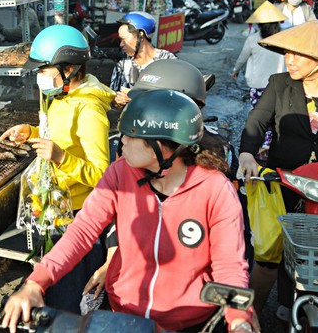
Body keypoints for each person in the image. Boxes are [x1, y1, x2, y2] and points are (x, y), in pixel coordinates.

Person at [2, 89, 255, 333]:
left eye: (131, 136)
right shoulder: (120, 172)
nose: (122, 142)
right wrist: (36, 282)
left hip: (187, 320)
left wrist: (239, 319)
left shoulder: (215, 190)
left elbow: (229, 266)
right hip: (123, 314)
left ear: (164, 147)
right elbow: (82, 231)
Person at [86, 59, 254, 307]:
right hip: (136, 286)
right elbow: (118, 213)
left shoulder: (219, 157)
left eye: (150, 102)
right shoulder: (134, 149)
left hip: (191, 298)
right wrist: (111, 259)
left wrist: (234, 311)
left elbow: (231, 245)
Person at [238, 20, 318, 326]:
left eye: (297, 55)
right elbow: (257, 121)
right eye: (287, 54)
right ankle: (248, 320)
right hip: (285, 185)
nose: (289, 60)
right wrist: (247, 153)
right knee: (265, 259)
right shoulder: (280, 84)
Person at [0, 24, 115, 312]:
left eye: (44, 70)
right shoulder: (58, 97)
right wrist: (30, 131)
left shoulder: (89, 110)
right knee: (53, 284)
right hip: (55, 208)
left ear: (71, 68)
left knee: (70, 299)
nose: (40, 76)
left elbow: (103, 174)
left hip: (78, 217)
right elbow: (54, 133)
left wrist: (62, 158)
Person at [231, 1, 287, 157]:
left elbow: (242, 58)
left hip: (258, 85)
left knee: (259, 116)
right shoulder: (284, 38)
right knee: (275, 115)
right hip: (279, 84)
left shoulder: (253, 39)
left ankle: (263, 145)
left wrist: (235, 71)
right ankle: (270, 143)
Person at [109, 11, 176, 109]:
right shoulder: (122, 66)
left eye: (124, 39)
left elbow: (176, 97)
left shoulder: (168, 60)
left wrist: (137, 99)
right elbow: (113, 100)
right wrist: (117, 101)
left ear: (141, 34)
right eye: (120, 40)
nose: (121, 44)